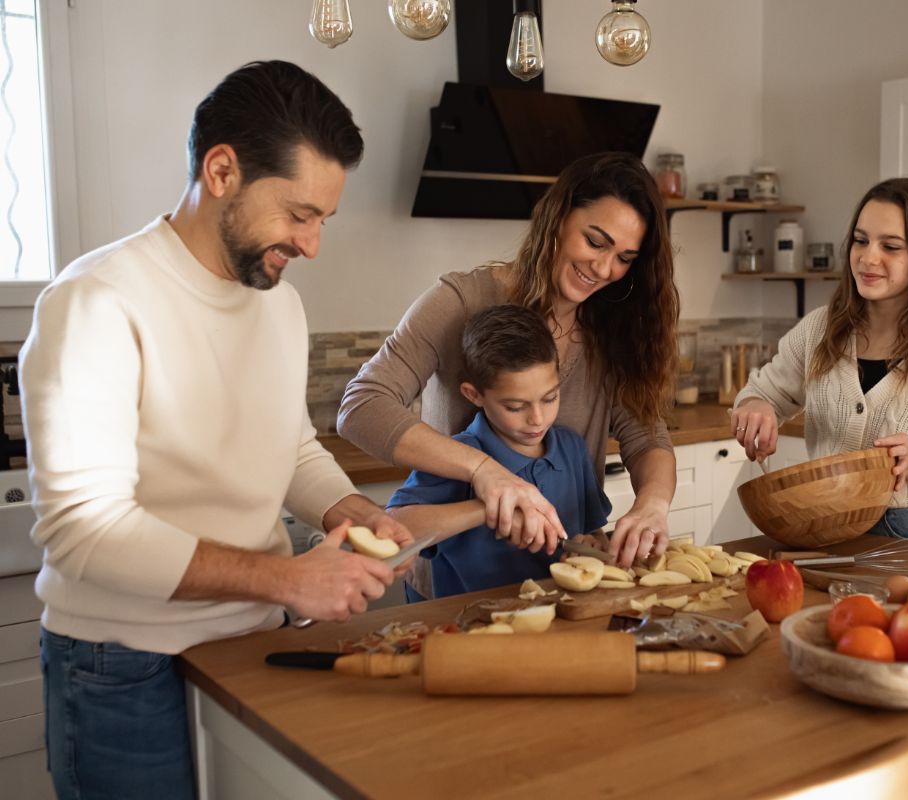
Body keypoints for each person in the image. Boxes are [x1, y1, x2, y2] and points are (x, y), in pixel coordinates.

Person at [20, 61, 415, 800]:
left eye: (323, 219)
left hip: (254, 645)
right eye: (299, 214)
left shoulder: (278, 305)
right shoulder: (96, 301)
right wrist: (291, 578)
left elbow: (290, 446)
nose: (311, 244)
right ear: (222, 169)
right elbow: (84, 531)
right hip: (125, 666)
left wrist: (346, 509)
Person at [339, 151, 679, 583]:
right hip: (455, 587)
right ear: (556, 219)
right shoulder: (460, 301)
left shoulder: (612, 322)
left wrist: (653, 504)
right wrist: (485, 473)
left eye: (625, 258)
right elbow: (362, 406)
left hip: (557, 584)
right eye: (595, 241)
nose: (604, 268)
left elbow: (646, 432)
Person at [730, 177, 908, 548]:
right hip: (818, 527)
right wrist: (755, 408)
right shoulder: (819, 329)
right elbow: (762, 392)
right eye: (861, 240)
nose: (867, 257)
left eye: (891, 246)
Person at [386, 305, 612, 599]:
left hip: (555, 622)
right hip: (472, 626)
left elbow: (593, 532)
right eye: (515, 407)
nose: (538, 419)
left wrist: (591, 546)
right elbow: (394, 528)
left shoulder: (572, 449)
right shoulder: (457, 456)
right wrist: (488, 509)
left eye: (550, 398)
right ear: (474, 395)